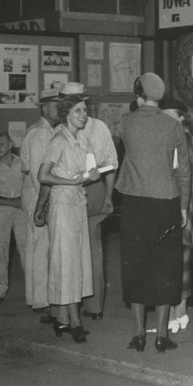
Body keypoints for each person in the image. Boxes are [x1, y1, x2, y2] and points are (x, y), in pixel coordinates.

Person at [115, 73, 191, 353]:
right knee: (164, 265)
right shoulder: (173, 126)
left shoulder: (125, 122)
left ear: (138, 95)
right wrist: (183, 207)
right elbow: (183, 170)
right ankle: (161, 335)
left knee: (135, 264)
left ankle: (138, 334)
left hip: (134, 203)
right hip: (165, 204)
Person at [35, 93, 100, 343]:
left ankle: (65, 319)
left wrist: (88, 175)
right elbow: (43, 175)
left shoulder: (79, 140)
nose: (84, 115)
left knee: (77, 261)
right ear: (66, 115)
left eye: (84, 110)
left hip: (77, 202)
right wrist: (72, 181)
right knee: (66, 262)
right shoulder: (59, 140)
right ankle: (72, 321)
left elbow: (78, 173)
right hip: (62, 205)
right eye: (78, 111)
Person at [62, 83, 119, 322]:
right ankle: (94, 307)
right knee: (94, 250)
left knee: (68, 251)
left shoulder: (63, 129)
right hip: (96, 192)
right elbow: (111, 164)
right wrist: (107, 196)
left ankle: (67, 309)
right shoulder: (100, 126)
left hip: (69, 192)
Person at [160, 97, 193, 334]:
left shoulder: (183, 138)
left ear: (181, 117)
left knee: (178, 259)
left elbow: (178, 175)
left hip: (180, 204)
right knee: (177, 259)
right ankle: (178, 312)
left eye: (170, 116)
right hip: (178, 203)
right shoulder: (179, 137)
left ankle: (179, 312)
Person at [20, 88, 60, 319]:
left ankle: (44, 299)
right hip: (37, 194)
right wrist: (42, 206)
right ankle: (41, 302)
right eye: (55, 106)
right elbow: (38, 175)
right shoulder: (38, 134)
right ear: (44, 108)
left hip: (43, 193)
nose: (59, 111)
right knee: (39, 250)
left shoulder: (50, 131)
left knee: (43, 249)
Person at [0, 131, 26, 306]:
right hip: (2, 210)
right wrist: (11, 202)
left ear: (10, 144)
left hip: (22, 210)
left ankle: (34, 291)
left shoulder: (22, 163)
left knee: (26, 249)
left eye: (1, 144)